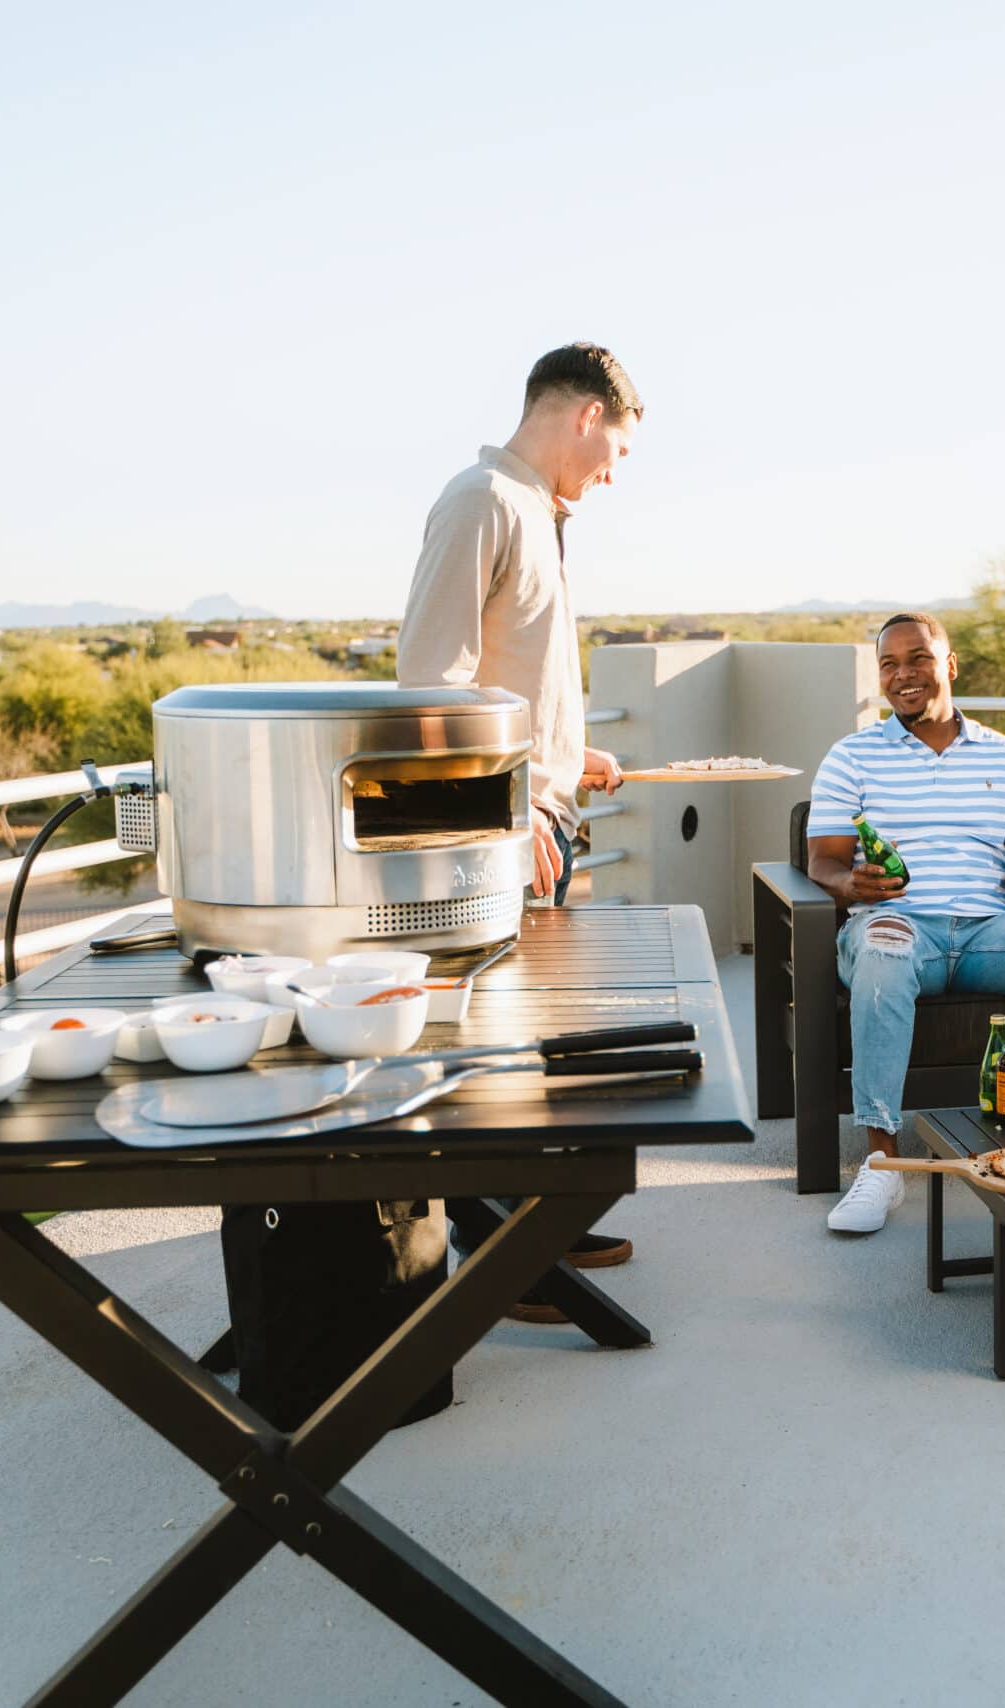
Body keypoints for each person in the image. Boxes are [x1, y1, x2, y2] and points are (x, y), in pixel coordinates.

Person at [398, 341, 641, 1306]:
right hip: (507, 834)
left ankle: (533, 1238)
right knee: (493, 1052)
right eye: (616, 448)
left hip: (542, 812)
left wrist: (564, 754)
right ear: (585, 414)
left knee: (528, 1049)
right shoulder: (481, 502)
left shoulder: (538, 513)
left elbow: (509, 679)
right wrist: (506, 810)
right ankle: (512, 1270)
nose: (614, 473)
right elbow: (432, 687)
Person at [809, 614, 1005, 1234]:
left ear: (950, 664)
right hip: (898, 929)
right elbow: (824, 861)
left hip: (987, 935)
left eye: (917, 658)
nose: (902, 675)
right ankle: (883, 1165)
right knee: (885, 939)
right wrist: (849, 884)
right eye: (888, 665)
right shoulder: (851, 755)